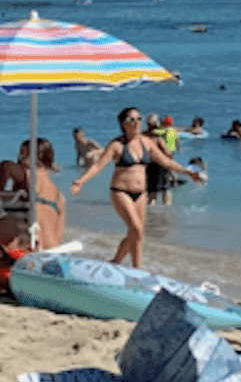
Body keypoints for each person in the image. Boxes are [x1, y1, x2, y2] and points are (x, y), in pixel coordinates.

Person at [71, 107, 205, 267]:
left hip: (141, 193)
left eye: (138, 119)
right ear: (123, 123)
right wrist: (80, 182)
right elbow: (98, 166)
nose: (136, 123)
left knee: (137, 233)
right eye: (131, 119)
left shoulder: (146, 142)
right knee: (137, 229)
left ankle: (121, 264)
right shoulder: (116, 145)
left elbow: (166, 161)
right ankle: (130, 266)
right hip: (121, 192)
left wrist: (188, 172)